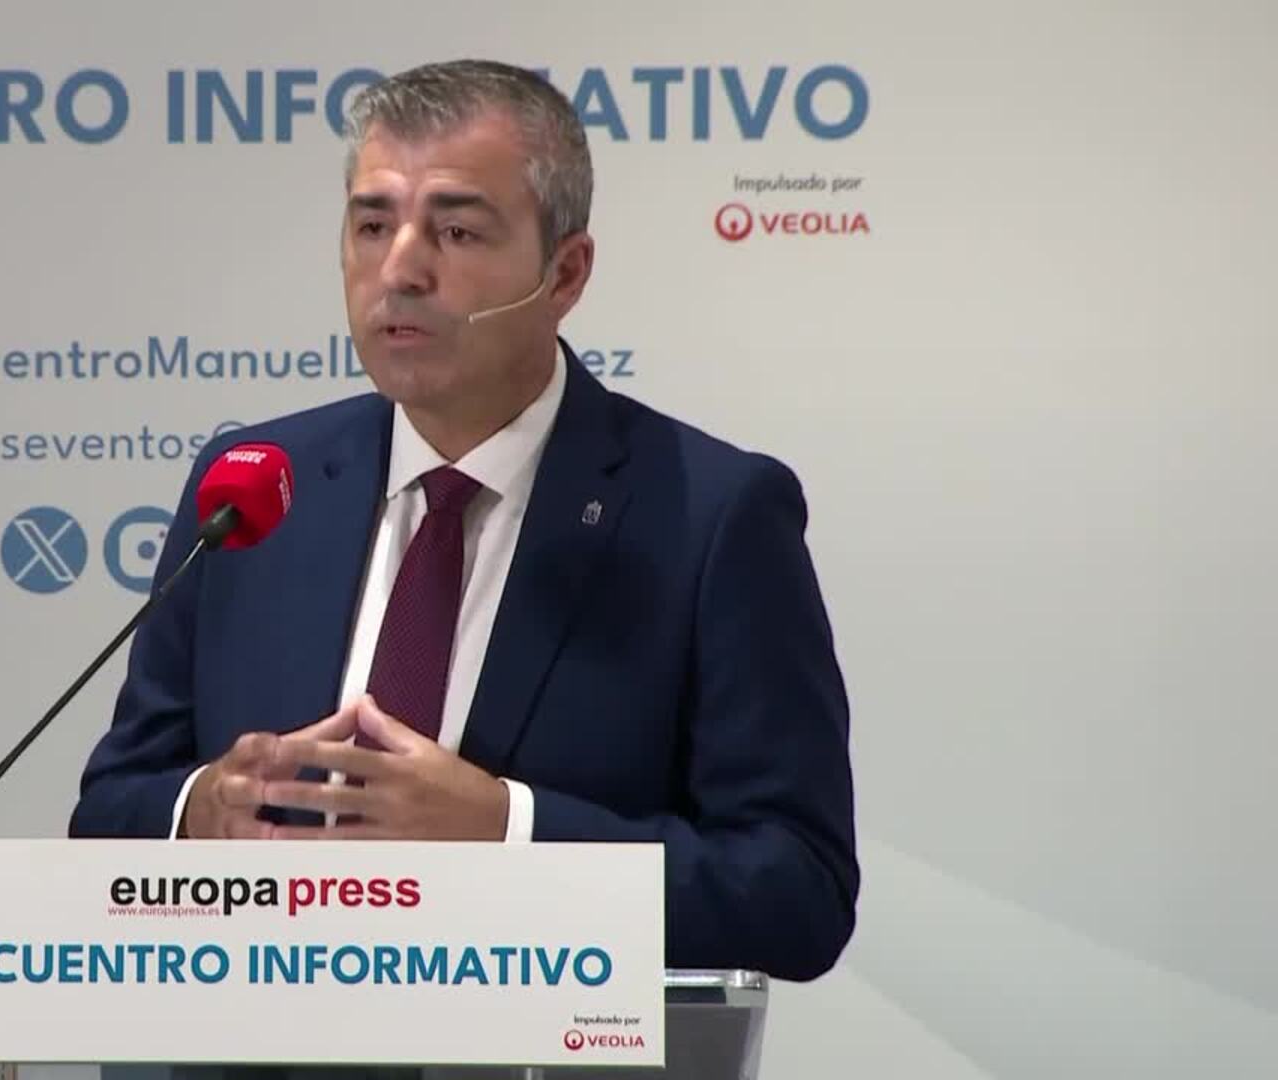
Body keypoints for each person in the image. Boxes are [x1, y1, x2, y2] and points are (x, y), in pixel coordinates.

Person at [68, 59, 857, 981]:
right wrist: (204, 808)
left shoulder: (711, 517)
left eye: (456, 230)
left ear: (566, 273)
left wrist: (508, 833)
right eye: (372, 225)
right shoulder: (257, 487)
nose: (400, 270)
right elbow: (109, 811)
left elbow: (796, 894)